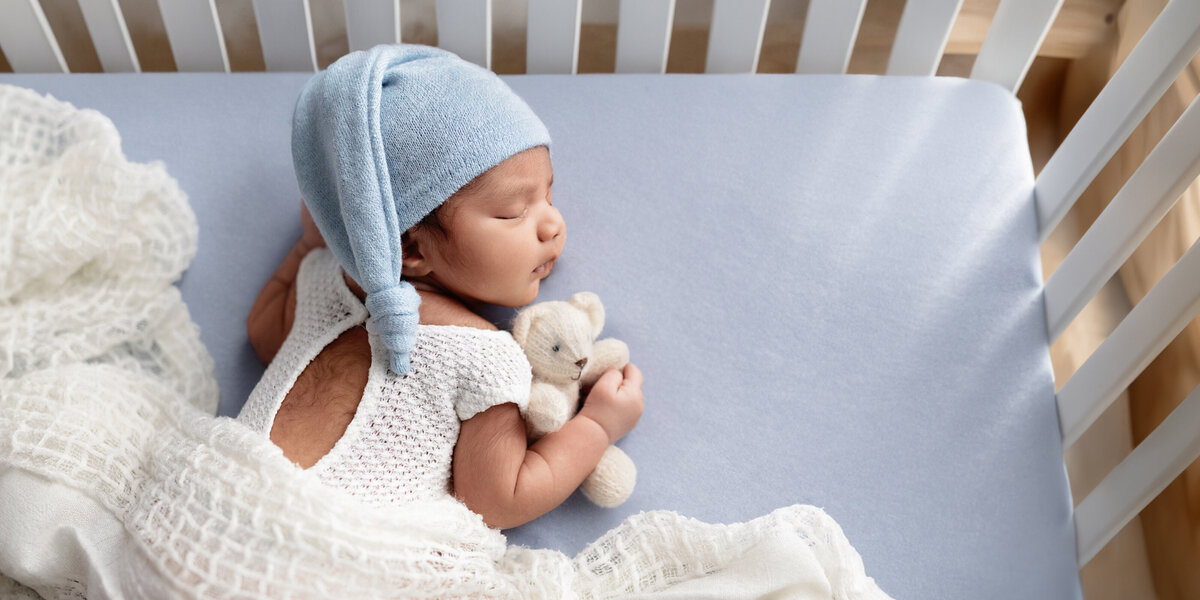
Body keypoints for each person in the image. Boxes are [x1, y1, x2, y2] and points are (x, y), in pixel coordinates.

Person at [236, 43, 644, 530]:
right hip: (328, 545)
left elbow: (262, 335)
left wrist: (306, 248)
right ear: (411, 249)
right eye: (515, 211)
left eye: (549, 194)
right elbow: (498, 500)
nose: (553, 223)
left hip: (224, 503)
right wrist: (596, 426)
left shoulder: (324, 279)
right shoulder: (482, 356)